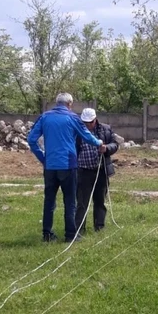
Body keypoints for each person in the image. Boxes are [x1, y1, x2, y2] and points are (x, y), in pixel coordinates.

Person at [27, 93, 102, 243]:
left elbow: (31, 139)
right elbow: (87, 136)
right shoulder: (73, 118)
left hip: (50, 166)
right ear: (70, 104)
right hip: (68, 165)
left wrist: (42, 158)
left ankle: (47, 234)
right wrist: (99, 143)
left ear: (56, 103)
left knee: (49, 200)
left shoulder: (45, 117)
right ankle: (70, 235)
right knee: (70, 201)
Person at [75, 108, 119, 234]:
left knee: (100, 201)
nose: (88, 125)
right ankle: (79, 230)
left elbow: (115, 144)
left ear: (96, 119)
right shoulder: (77, 131)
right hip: (83, 171)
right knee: (82, 202)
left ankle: (99, 227)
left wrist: (107, 148)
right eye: (85, 123)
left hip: (101, 170)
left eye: (90, 122)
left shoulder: (105, 129)